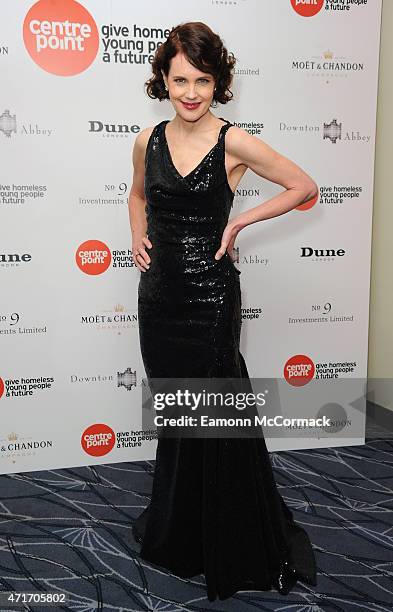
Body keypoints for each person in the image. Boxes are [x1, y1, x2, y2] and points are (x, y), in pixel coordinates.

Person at [128, 21, 318, 602]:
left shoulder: (234, 141)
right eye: (180, 79)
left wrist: (239, 221)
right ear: (163, 78)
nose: (190, 92)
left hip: (211, 299)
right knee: (180, 417)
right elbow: (137, 193)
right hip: (160, 298)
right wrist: (137, 233)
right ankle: (180, 529)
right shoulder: (146, 139)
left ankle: (225, 536)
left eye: (202, 81)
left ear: (218, 83)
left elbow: (303, 185)